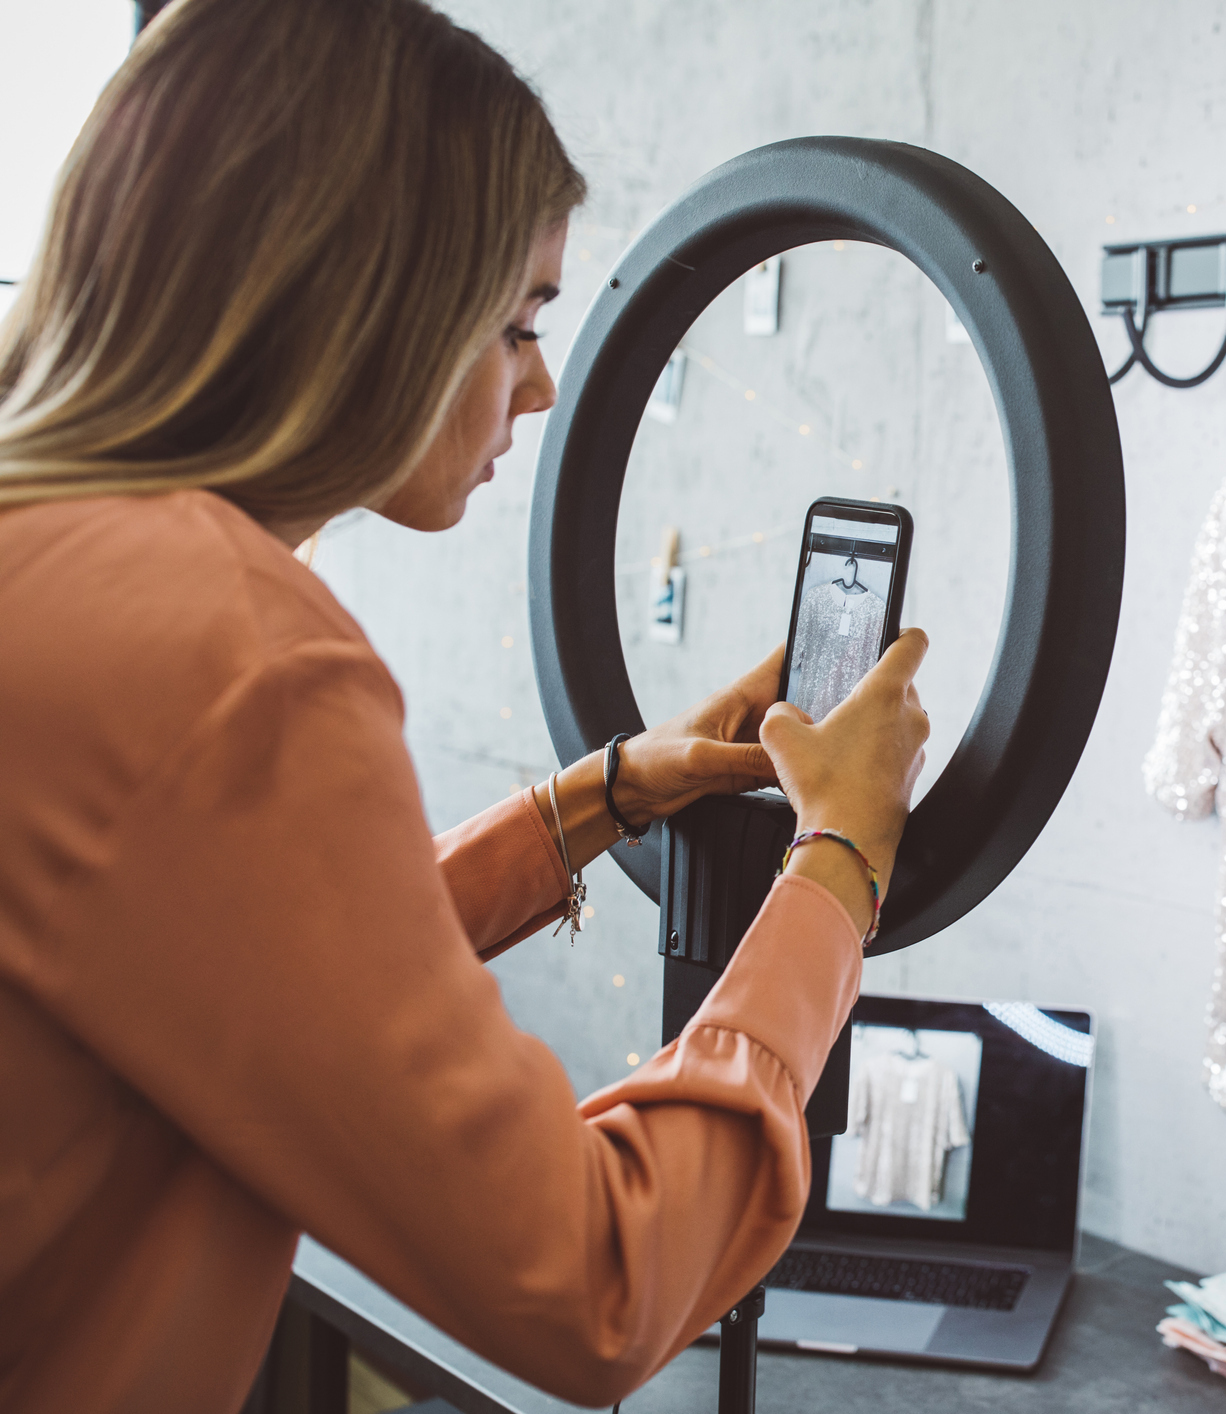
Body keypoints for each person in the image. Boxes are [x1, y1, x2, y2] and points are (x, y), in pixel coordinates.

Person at [0, 1, 929, 1408]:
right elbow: (601, 1278)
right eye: (520, 320)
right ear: (365, 303)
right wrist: (838, 862)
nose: (542, 385)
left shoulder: (61, 567)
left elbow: (226, 962)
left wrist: (601, 797)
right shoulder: (228, 646)